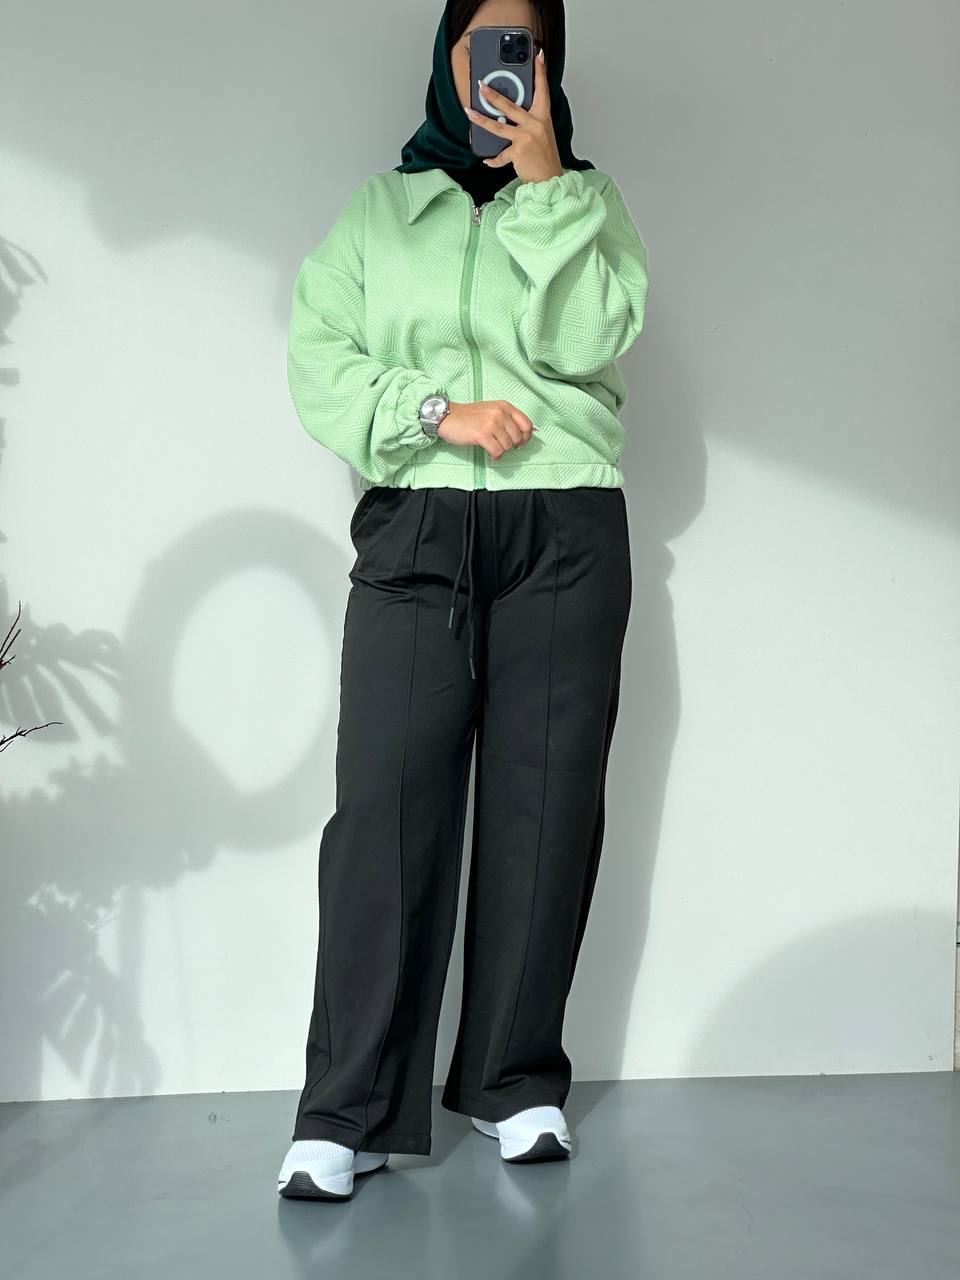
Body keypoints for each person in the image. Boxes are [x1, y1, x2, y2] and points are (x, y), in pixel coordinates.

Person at [277, 0, 648, 1201]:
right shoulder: (378, 213)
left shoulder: (588, 201)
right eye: (480, 41)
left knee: (548, 803)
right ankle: (347, 1106)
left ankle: (513, 1078)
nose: (502, 65)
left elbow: (591, 338)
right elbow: (320, 361)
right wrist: (439, 413)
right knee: (384, 807)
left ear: (549, 63)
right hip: (417, 522)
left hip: (565, 522)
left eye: (523, 45)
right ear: (445, 57)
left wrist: (546, 187)